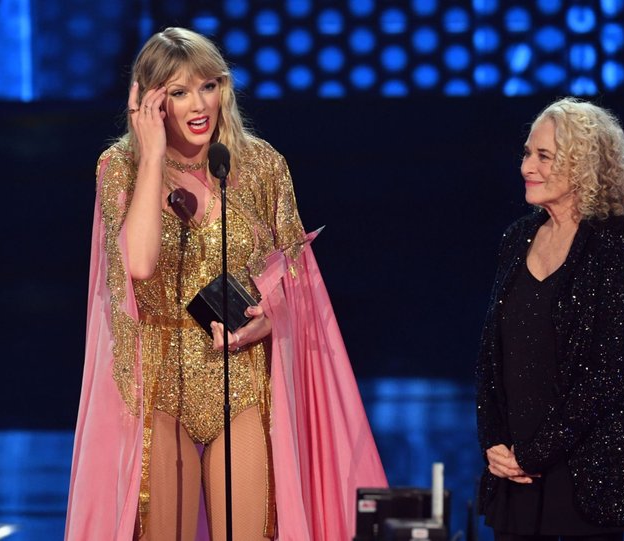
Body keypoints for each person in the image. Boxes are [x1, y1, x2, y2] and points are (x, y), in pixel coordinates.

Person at [64, 27, 387, 541]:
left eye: (208, 86)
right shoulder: (119, 167)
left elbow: (297, 279)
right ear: (151, 103)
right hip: (158, 388)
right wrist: (151, 159)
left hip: (241, 380)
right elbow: (139, 265)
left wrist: (267, 320)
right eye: (178, 92)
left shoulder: (261, 164)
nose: (198, 105)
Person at [474, 97, 624, 541]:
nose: (527, 166)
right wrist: (496, 444)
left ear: (583, 165)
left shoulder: (618, 244)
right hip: (517, 467)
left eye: (544, 156)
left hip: (586, 467)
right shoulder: (518, 236)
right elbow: (492, 353)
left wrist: (535, 454)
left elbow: (609, 372)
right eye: (527, 153)